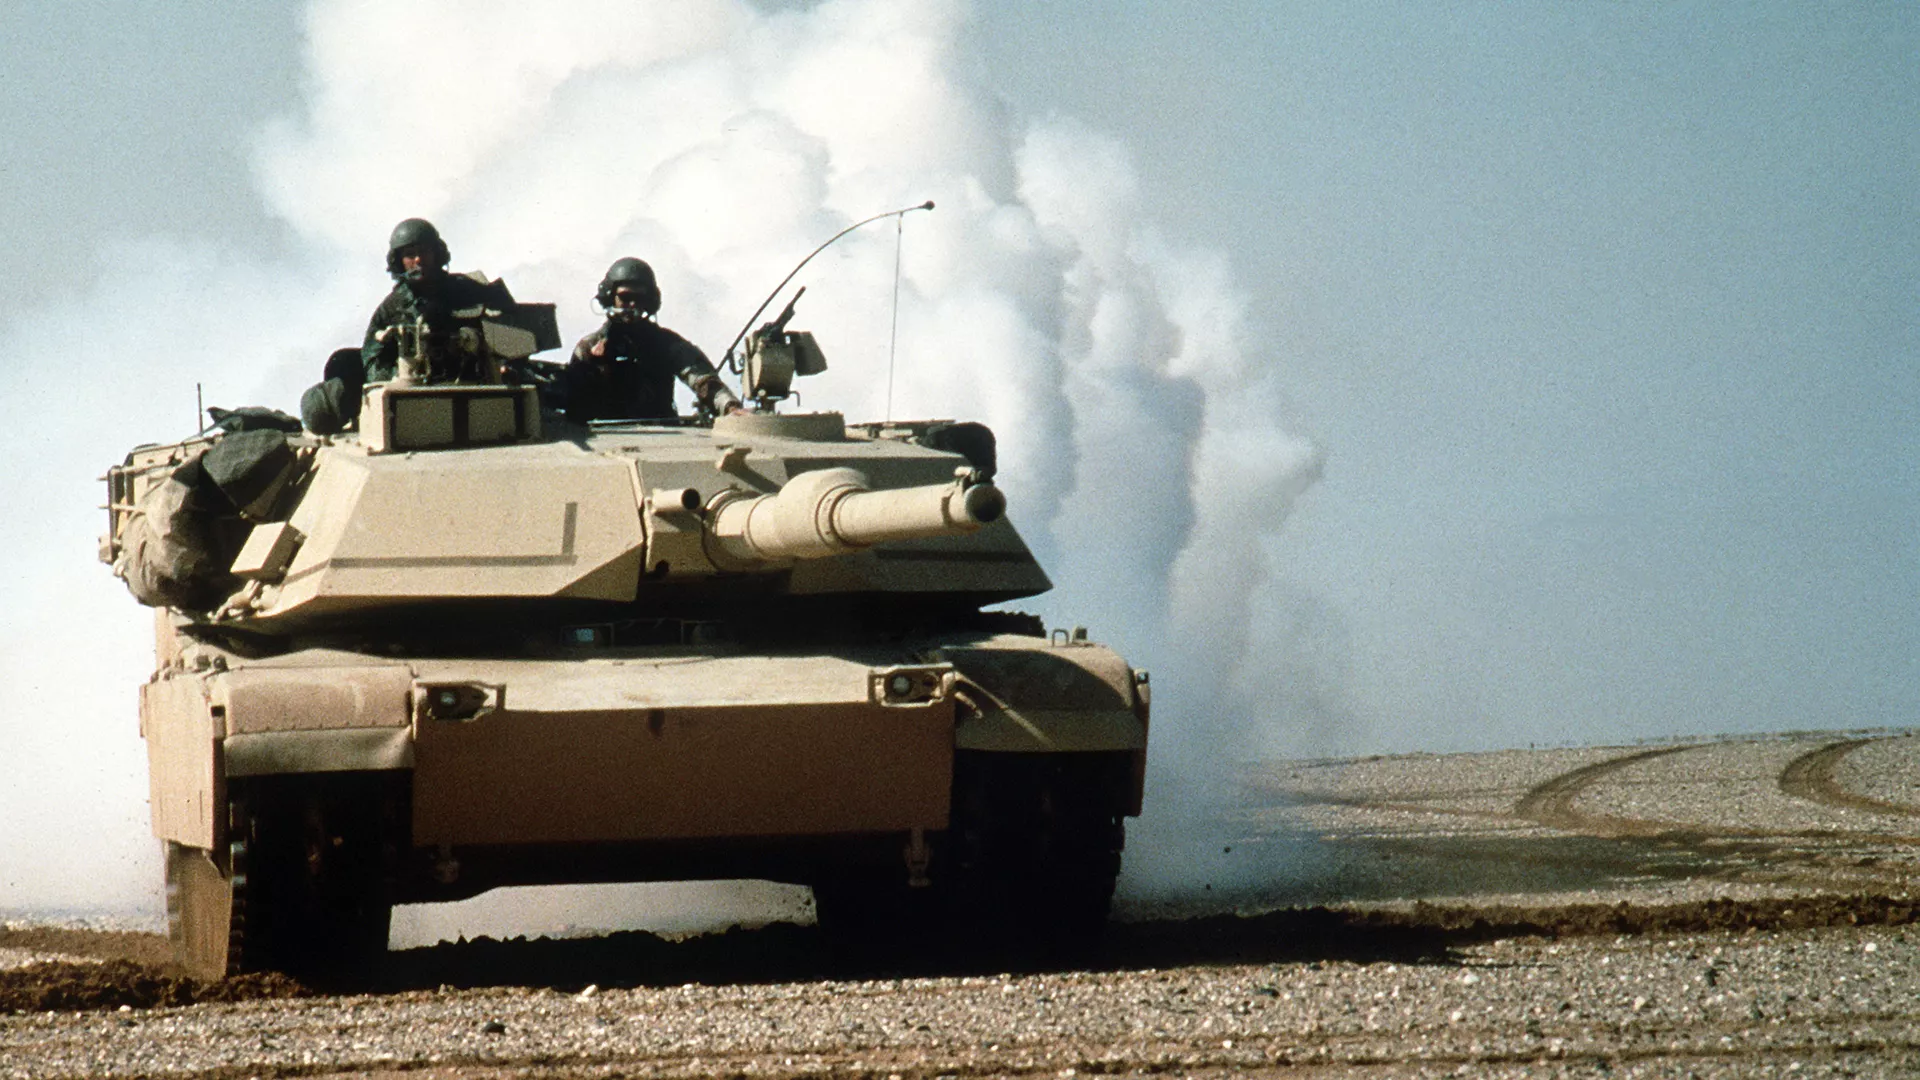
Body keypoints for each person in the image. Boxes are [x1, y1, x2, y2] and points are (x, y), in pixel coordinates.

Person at [564, 257, 741, 423]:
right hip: (602, 434)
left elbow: (703, 381)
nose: (632, 304)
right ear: (610, 298)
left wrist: (730, 407)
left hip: (662, 435)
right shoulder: (589, 348)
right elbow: (570, 397)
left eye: (639, 298)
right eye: (625, 297)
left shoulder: (666, 344)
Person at [362, 218, 515, 383]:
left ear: (436, 253)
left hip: (474, 384)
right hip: (417, 390)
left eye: (424, 251)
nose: (418, 259)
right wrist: (401, 375)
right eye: (410, 254)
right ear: (399, 261)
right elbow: (372, 360)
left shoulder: (466, 289)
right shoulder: (392, 308)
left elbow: (513, 324)